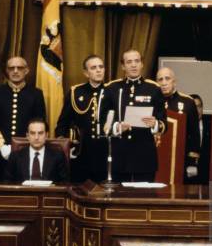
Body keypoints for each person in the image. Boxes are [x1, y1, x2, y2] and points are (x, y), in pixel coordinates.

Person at [100, 49, 166, 182]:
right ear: (123, 66)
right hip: (119, 155)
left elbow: (164, 123)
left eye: (137, 61)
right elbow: (102, 122)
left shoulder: (154, 89)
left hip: (144, 156)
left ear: (142, 64)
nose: (133, 65)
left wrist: (155, 124)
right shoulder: (112, 89)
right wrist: (117, 127)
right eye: (129, 62)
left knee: (143, 199)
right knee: (118, 198)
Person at [0, 56, 47, 181]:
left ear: (27, 70)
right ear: (7, 71)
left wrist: (26, 145)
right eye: (11, 68)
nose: (15, 71)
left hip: (26, 152)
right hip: (0, 153)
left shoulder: (36, 94)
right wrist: (1, 146)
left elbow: (39, 122)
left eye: (19, 68)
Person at [55, 55, 107, 182]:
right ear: (86, 73)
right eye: (94, 68)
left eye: (101, 67)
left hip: (105, 151)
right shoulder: (76, 92)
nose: (98, 70)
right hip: (81, 152)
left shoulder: (111, 92)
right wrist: (66, 146)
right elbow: (62, 124)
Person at [156, 67, 200, 182]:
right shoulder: (152, 100)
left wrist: (192, 162)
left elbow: (194, 134)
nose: (164, 83)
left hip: (179, 157)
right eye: (160, 79)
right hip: (155, 156)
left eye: (167, 78)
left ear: (174, 81)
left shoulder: (187, 102)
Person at [4, 118, 68, 183]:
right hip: (22, 193)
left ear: (46, 135)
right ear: (27, 136)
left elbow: (65, 183)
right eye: (32, 133)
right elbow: (7, 182)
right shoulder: (15, 156)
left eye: (40, 133)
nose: (36, 137)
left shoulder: (58, 156)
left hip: (49, 193)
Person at [190, 94, 212, 184]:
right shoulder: (181, 126)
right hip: (186, 174)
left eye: (199, 106)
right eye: (193, 107)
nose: (197, 110)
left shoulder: (211, 125)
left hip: (206, 173)